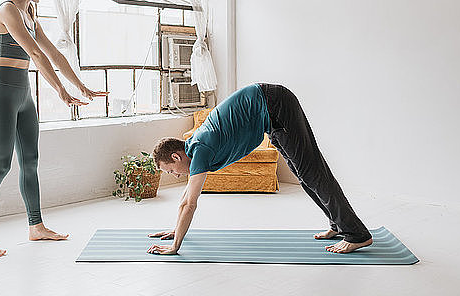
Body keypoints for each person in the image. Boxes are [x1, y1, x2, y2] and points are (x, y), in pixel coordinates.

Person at [0, 0, 108, 258]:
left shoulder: (29, 12)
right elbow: (33, 52)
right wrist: (60, 90)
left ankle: (36, 226)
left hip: (22, 95)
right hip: (1, 94)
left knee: (30, 161)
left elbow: (52, 52)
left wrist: (80, 86)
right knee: (0, 166)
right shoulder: (7, 9)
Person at [148, 83, 372, 255]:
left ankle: (356, 234)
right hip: (271, 111)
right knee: (305, 175)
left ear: (176, 156)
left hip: (275, 104)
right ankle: (338, 224)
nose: (175, 174)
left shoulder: (201, 150)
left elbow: (189, 203)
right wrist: (177, 230)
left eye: (171, 170)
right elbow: (186, 198)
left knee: (313, 173)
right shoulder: (195, 147)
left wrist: (175, 246)